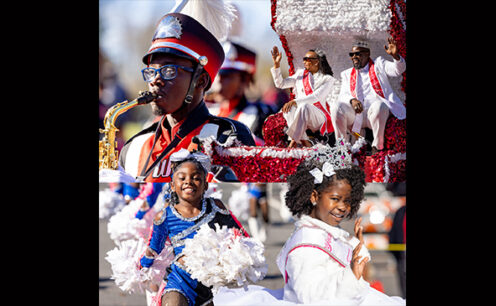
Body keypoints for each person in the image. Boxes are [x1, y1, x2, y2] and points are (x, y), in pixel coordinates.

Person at [213, 143, 405, 305]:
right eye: (335, 199)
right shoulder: (305, 246)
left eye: (347, 201)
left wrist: (357, 254)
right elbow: (311, 298)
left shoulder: (328, 234)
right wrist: (352, 273)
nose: (342, 207)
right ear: (314, 196)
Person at [117, 13, 255, 183]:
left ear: (201, 81)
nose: (155, 81)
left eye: (169, 71)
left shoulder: (227, 138)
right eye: (151, 72)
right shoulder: (134, 147)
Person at [138, 149, 249, 306]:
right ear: (172, 185)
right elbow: (154, 247)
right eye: (182, 178)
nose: (188, 181)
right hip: (179, 280)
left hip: (211, 283)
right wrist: (141, 267)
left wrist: (245, 253)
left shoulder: (215, 206)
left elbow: (240, 234)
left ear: (205, 185)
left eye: (196, 178)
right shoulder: (164, 216)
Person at [332, 37, 406, 154]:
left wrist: (396, 57)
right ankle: (342, 148)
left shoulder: (379, 64)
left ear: (367, 54)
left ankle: (377, 147)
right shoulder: (346, 74)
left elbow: (397, 70)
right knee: (336, 107)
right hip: (356, 115)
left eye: (358, 54)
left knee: (379, 105)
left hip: (375, 115)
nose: (354, 57)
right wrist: (352, 100)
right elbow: (343, 95)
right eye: (352, 54)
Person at [205, 40, 276, 146]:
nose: (219, 80)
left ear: (244, 80)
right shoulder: (207, 112)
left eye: (227, 76)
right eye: (218, 74)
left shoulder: (264, 114)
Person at [270, 46, 336, 148]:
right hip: (301, 115)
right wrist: (276, 65)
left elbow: (316, 96)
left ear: (316, 62)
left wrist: (295, 101)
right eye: (304, 59)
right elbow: (281, 84)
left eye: (307, 59)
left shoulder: (327, 79)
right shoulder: (300, 74)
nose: (304, 61)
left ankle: (293, 142)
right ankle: (304, 141)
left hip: (318, 117)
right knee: (288, 109)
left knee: (303, 106)